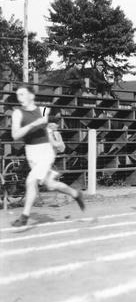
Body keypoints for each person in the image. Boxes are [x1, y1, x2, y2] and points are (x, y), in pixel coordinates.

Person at [10, 84, 85, 227]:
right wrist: (33, 125)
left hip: (45, 151)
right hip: (30, 152)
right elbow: (15, 135)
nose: (20, 98)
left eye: (23, 94)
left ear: (32, 95)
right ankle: (76, 194)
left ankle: (24, 216)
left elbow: (45, 124)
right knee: (50, 185)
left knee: (31, 180)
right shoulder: (17, 113)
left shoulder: (43, 110)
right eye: (18, 95)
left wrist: (41, 124)